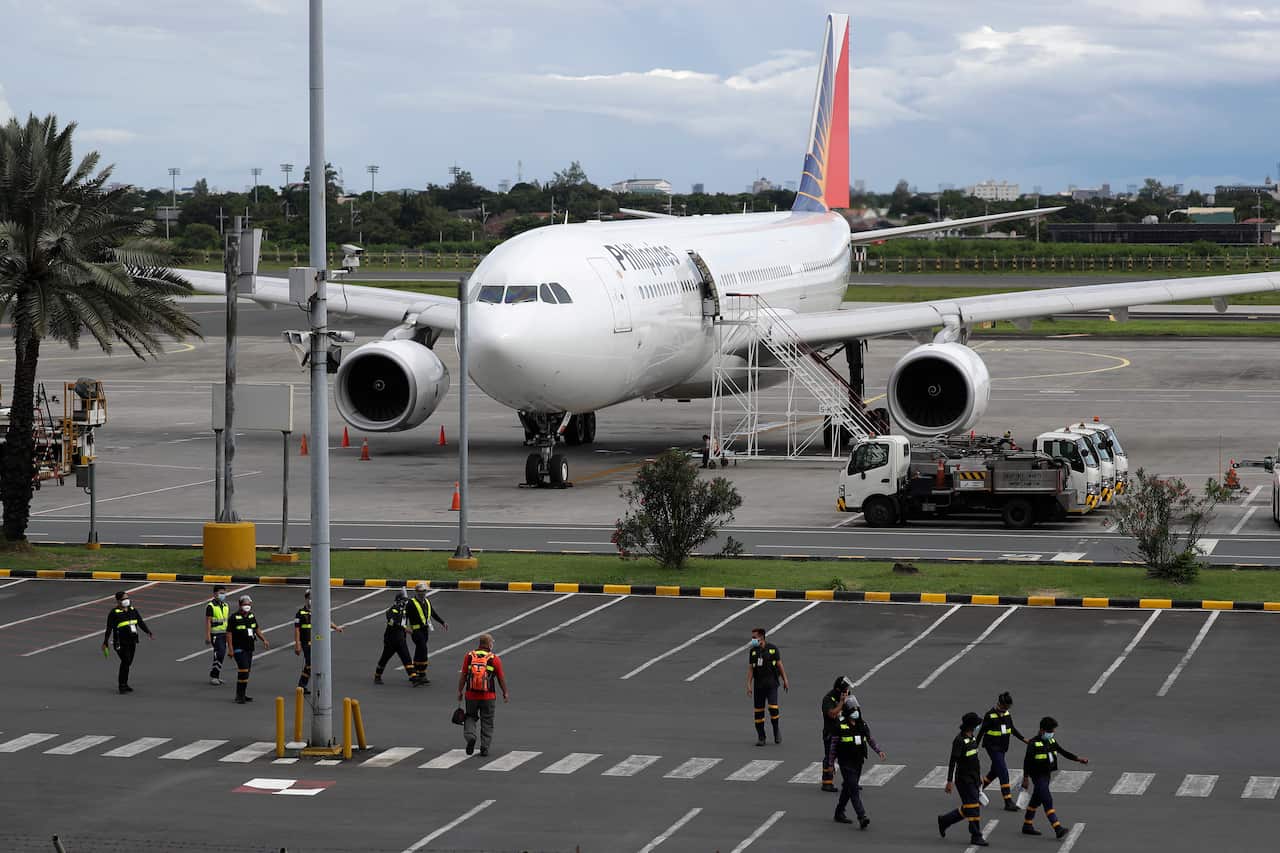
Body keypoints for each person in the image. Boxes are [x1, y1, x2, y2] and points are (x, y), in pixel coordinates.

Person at [1021, 716, 1089, 839]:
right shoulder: (1033, 744)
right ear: (1042, 731)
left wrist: (1078, 759)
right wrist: (1025, 778)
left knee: (1036, 800)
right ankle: (1057, 828)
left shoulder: (1051, 741)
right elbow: (1026, 762)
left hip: (1047, 775)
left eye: (1053, 731)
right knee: (1047, 800)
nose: (1052, 733)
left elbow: (1063, 752)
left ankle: (1027, 825)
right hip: (1037, 776)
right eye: (1050, 731)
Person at [833, 696, 886, 830]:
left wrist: (878, 751)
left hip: (858, 761)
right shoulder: (840, 725)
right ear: (847, 711)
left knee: (848, 788)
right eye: (853, 710)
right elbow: (833, 746)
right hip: (845, 762)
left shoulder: (862, 724)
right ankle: (862, 816)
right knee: (854, 789)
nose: (856, 712)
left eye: (857, 709)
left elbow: (869, 739)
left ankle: (839, 812)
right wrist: (830, 764)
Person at [938, 711, 989, 847]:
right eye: (977, 724)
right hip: (963, 779)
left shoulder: (972, 738)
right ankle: (976, 835)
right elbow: (952, 761)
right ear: (971, 726)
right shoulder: (959, 741)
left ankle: (944, 820)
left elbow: (975, 760)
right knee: (973, 807)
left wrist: (979, 776)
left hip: (974, 778)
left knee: (970, 807)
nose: (979, 726)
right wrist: (949, 781)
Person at [457, 633, 508, 757]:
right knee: (487, 721)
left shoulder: (469, 656)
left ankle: (470, 737)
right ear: (489, 644)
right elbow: (501, 678)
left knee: (470, 717)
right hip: (488, 696)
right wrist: (505, 692)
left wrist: (460, 691)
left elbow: (463, 675)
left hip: (471, 695)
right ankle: (484, 747)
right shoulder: (494, 659)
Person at [980, 691, 1027, 812]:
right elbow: (982, 732)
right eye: (1005, 707)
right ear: (1000, 704)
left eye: (1008, 707)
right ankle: (1008, 801)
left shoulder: (1006, 714)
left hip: (1002, 748)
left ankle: (975, 790)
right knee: (1003, 772)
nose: (1007, 709)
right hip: (992, 748)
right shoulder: (990, 715)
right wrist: (974, 746)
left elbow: (1012, 728)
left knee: (995, 771)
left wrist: (1023, 739)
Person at [101, 590, 154, 694]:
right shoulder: (114, 613)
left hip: (132, 640)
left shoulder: (133, 610)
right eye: (124, 599)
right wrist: (105, 642)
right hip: (120, 642)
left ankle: (125, 683)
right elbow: (109, 628)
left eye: (127, 598)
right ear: (118, 601)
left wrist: (148, 632)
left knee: (128, 662)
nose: (126, 600)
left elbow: (140, 622)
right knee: (125, 661)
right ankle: (122, 685)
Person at [294, 589, 343, 694]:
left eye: (312, 598)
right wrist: (297, 644)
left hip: (317, 641)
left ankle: (302, 686)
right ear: (306, 599)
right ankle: (302, 685)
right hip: (306, 642)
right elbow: (297, 630)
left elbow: (327, 620)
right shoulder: (300, 613)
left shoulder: (317, 611)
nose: (310, 600)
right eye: (308, 597)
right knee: (310, 663)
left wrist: (336, 628)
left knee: (310, 664)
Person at [746, 627, 789, 746]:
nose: (752, 640)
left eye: (754, 637)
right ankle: (761, 736)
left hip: (772, 684)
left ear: (761, 637)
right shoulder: (753, 651)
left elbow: (780, 665)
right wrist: (748, 685)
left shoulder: (773, 649)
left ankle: (776, 731)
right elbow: (751, 669)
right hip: (759, 686)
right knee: (758, 713)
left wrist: (785, 679)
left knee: (773, 708)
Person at [226, 594, 269, 704]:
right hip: (238, 648)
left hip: (249, 648)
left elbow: (256, 629)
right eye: (245, 604)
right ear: (240, 605)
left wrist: (264, 639)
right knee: (243, 669)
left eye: (249, 604)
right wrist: (230, 648)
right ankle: (239, 696)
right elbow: (229, 633)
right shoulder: (234, 617)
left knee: (246, 672)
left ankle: (242, 694)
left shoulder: (251, 616)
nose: (247, 606)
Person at [407, 583, 448, 685]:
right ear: (416, 592)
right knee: (423, 650)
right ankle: (422, 674)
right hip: (416, 631)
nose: (422, 594)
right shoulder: (411, 603)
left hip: (425, 630)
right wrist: (405, 628)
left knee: (419, 650)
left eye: (424, 592)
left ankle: (415, 671)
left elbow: (433, 613)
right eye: (420, 592)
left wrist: (442, 622)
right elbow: (405, 616)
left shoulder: (427, 602)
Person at [819, 675, 852, 792]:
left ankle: (851, 782)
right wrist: (842, 703)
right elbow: (832, 714)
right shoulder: (828, 699)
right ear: (839, 690)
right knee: (829, 758)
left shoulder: (845, 695)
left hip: (844, 732)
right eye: (845, 690)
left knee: (848, 758)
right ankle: (827, 782)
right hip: (831, 733)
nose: (847, 692)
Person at [374, 591, 413, 684]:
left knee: (406, 657)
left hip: (400, 640)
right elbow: (392, 623)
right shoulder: (391, 610)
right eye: (404, 601)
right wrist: (404, 629)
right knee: (385, 658)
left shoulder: (404, 611)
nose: (405, 603)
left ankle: (413, 677)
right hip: (390, 640)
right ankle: (377, 676)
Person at [204, 585, 229, 685]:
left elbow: (226, 621)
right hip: (215, 634)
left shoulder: (225, 606)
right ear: (215, 594)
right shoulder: (211, 606)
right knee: (220, 653)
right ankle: (214, 676)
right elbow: (208, 622)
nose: (223, 595)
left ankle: (216, 676)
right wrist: (208, 636)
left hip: (224, 634)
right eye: (220, 593)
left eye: (224, 593)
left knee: (220, 655)